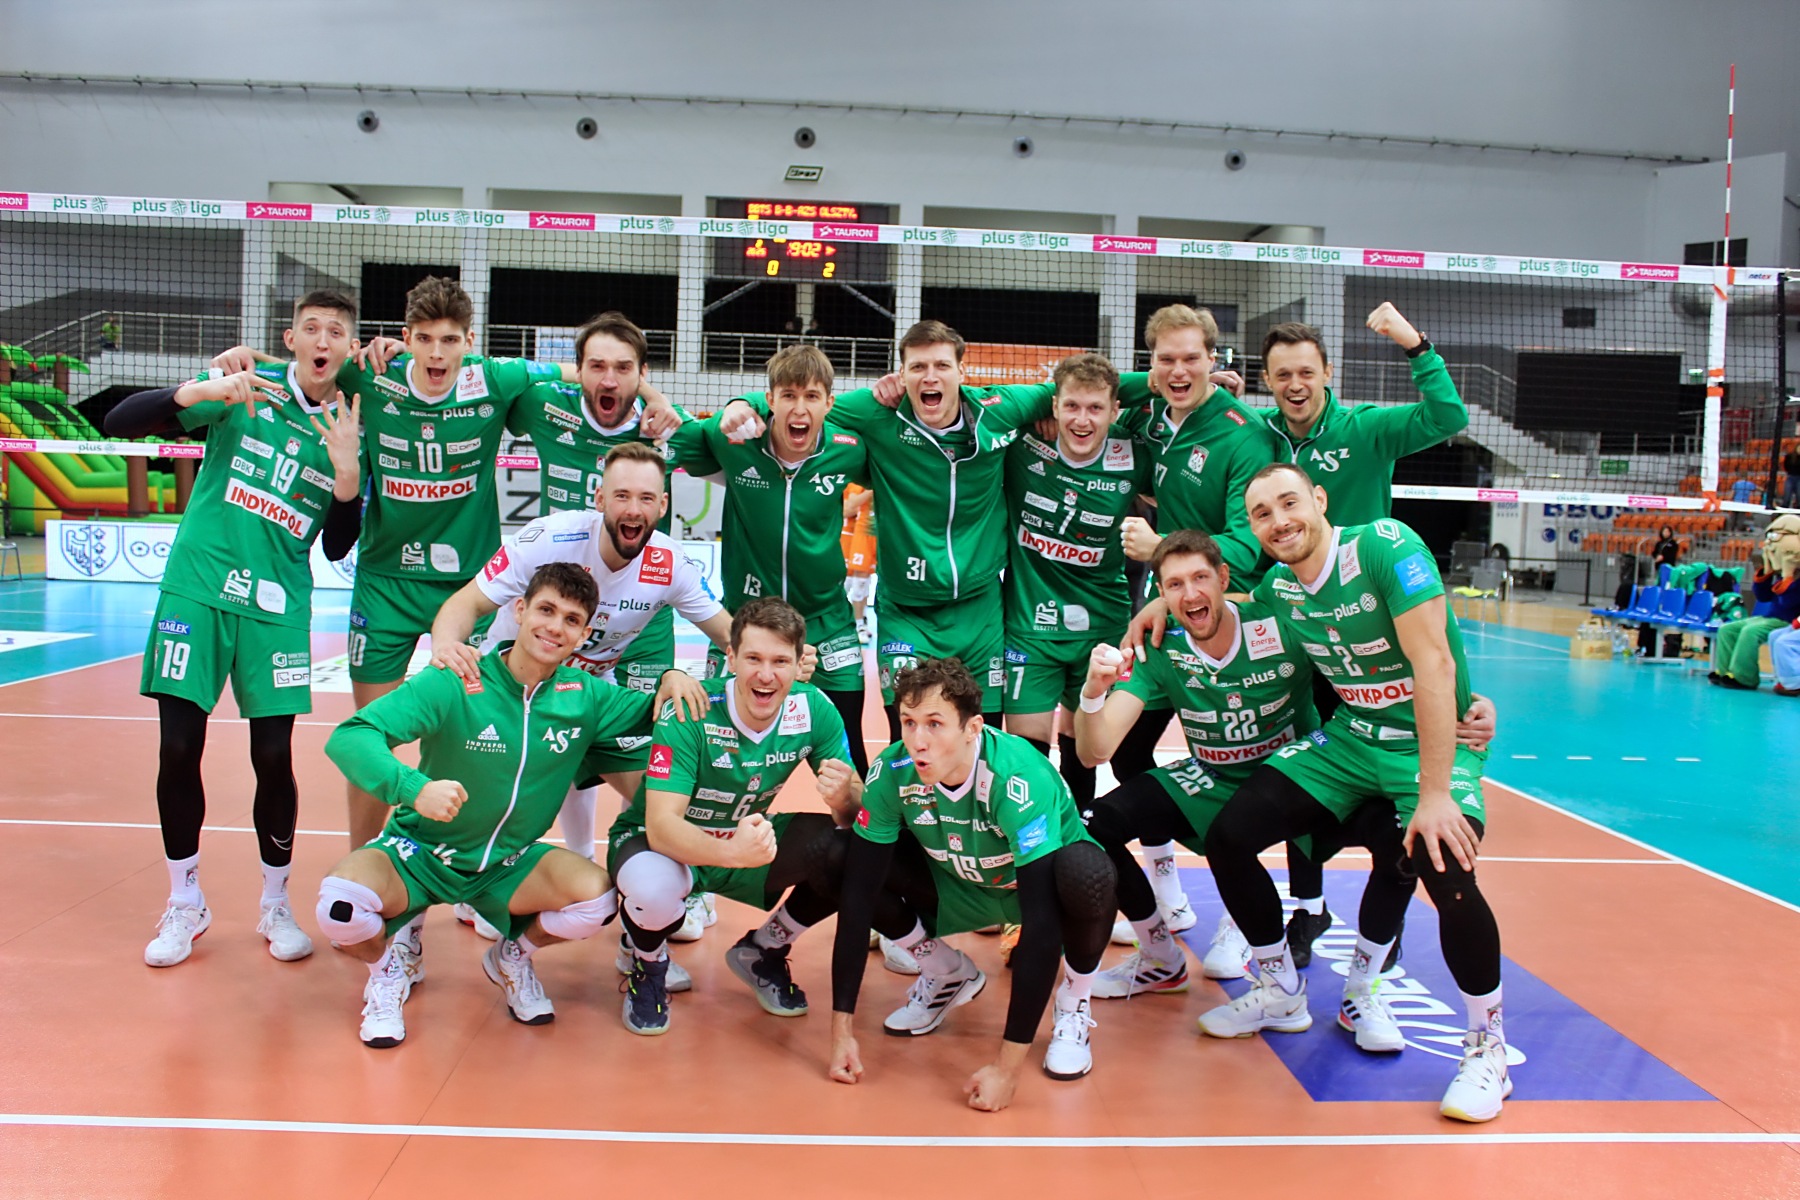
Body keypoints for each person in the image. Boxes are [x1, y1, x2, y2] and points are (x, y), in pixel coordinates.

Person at [1199, 463, 1508, 1123]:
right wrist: (1153, 608)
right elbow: (1235, 609)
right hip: (1349, 740)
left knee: (1443, 866)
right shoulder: (1282, 587)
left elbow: (1435, 662)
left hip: (1425, 748)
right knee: (1228, 836)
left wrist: (1434, 793)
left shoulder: (1384, 546)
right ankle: (1280, 988)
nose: (1279, 521)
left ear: (1319, 499)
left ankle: (1486, 1046)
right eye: (1262, 514)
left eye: (1289, 503)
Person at [1078, 530, 1496, 993]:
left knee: (1400, 841)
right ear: (1160, 591)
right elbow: (1093, 752)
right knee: (1094, 826)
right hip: (1213, 777)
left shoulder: (1281, 622)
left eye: (1200, 578)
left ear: (1224, 577)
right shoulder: (1158, 642)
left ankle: (1361, 987)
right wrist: (1092, 695)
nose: (1190, 593)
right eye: (1174, 585)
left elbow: (1372, 663)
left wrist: (1469, 703)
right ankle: (1162, 955)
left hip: (1300, 778)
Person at [105, 290, 365, 968]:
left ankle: (275, 904)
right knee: (177, 748)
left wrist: (346, 477)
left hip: (276, 609)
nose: (323, 340)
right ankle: (184, 900)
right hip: (197, 589)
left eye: (336, 332)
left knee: (274, 758)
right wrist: (196, 390)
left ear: (348, 349)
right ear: (290, 338)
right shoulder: (245, 388)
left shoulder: (348, 424)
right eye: (312, 328)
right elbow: (119, 421)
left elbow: (338, 545)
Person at [319, 563, 655, 1047]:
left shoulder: (586, 697)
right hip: (419, 853)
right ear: (519, 610)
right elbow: (352, 736)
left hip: (506, 863)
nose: (554, 627)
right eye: (545, 610)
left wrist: (673, 679)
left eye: (571, 620)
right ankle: (387, 971)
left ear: (584, 635)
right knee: (340, 908)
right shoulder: (457, 678)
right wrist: (412, 787)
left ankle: (511, 956)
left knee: (597, 900)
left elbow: (662, 712)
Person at [717, 320, 1057, 733]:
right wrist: (743, 402)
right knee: (907, 733)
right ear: (901, 374)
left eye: (941, 366)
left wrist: (1058, 411)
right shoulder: (877, 412)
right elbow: (802, 398)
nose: (930, 377)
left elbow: (1079, 390)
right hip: (905, 609)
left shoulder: (999, 409)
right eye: (917, 367)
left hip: (980, 607)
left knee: (983, 735)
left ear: (961, 372)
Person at [429, 441, 730, 895]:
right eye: (622, 496)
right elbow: (465, 603)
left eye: (646, 498)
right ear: (600, 498)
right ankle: (467, 879)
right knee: (490, 789)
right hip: (511, 684)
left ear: (663, 505)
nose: (634, 509)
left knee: (660, 788)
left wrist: (782, 658)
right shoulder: (549, 539)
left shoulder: (670, 563)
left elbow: (730, 635)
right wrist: (446, 648)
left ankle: (671, 886)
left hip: (590, 687)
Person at [826, 658, 1117, 1112]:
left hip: (1033, 892)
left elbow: (1041, 930)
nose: (918, 740)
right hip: (958, 881)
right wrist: (841, 1033)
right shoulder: (893, 770)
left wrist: (1006, 1069)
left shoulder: (1017, 777)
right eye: (908, 722)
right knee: (840, 858)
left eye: (935, 724)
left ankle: (1074, 1001)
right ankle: (946, 971)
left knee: (1088, 874)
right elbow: (858, 898)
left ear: (972, 728)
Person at [605, 598, 862, 1034]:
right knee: (652, 888)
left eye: (780, 661)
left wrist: (845, 799)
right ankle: (647, 964)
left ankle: (763, 950)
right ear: (731, 658)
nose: (766, 675)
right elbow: (663, 828)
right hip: (660, 843)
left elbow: (856, 810)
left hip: (741, 837)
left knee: (850, 851)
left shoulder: (813, 708)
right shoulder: (691, 708)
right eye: (754, 659)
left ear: (799, 663)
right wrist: (734, 853)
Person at [664, 344, 872, 776]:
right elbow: (673, 434)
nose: (800, 408)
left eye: (812, 396)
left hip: (828, 621)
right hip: (744, 621)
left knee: (847, 748)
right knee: (712, 744)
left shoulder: (851, 449)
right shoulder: (733, 441)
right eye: (788, 395)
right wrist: (735, 405)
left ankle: (860, 819)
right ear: (770, 399)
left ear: (829, 403)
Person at [998, 351, 1152, 808]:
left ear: (1115, 410)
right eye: (1071, 406)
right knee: (1026, 754)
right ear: (1053, 405)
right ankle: (1035, 837)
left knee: (1084, 750)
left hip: (1103, 625)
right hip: (1031, 625)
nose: (1082, 420)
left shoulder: (1133, 455)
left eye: (1095, 408)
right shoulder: (1023, 443)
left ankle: (1079, 832)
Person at [1783, 445, 1800, 509]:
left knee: (1799, 494)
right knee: (1787, 494)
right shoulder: (1789, 456)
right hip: (1791, 476)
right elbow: (1786, 466)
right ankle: (1785, 506)